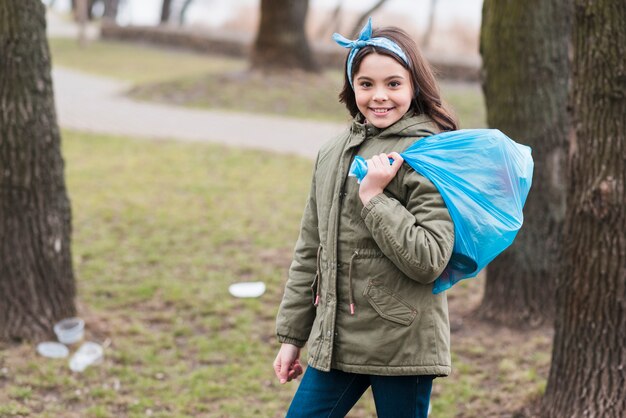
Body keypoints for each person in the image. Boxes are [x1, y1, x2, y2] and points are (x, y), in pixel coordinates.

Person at [273, 17, 458, 418]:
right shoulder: (331, 153)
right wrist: (293, 336)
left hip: (401, 342)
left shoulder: (429, 155)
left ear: (414, 86)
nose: (379, 96)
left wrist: (374, 197)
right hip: (335, 340)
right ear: (351, 85)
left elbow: (429, 259)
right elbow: (310, 250)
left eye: (393, 83)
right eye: (366, 83)